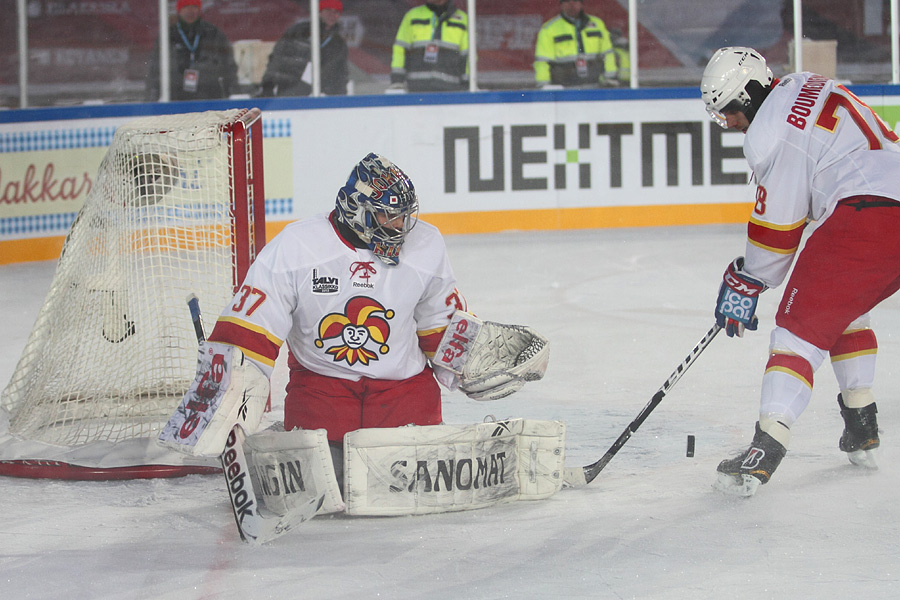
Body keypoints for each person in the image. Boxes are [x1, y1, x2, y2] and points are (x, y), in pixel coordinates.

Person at [701, 47, 900, 496]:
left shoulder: (771, 132)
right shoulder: (801, 84)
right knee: (843, 310)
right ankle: (862, 425)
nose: (728, 123)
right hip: (891, 197)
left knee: (796, 332)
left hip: (869, 214)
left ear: (750, 96)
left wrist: (748, 277)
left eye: (729, 111)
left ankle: (764, 449)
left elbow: (777, 234)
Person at [202, 153, 469, 485]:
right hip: (321, 398)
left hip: (405, 402)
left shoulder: (426, 245)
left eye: (404, 216)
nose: (401, 227)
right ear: (356, 208)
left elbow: (443, 326)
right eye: (388, 215)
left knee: (405, 487)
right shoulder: (298, 246)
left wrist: (471, 366)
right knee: (325, 485)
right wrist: (225, 394)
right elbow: (250, 332)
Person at [146, 0, 238, 101]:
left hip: (209, 97)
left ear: (199, 9)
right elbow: (155, 69)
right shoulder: (168, 35)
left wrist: (231, 93)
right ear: (179, 10)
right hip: (176, 99)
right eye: (186, 6)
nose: (190, 10)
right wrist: (151, 100)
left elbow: (228, 66)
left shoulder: (213, 33)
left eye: (194, 6)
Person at [259, 0, 349, 97]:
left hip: (320, 96)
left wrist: (339, 99)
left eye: (336, 12)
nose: (332, 15)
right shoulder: (298, 31)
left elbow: (340, 73)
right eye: (328, 10)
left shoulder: (339, 43)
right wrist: (267, 86)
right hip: (289, 91)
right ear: (319, 11)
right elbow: (277, 57)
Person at [534, 0, 618, 89]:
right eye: (567, 1)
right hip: (564, 88)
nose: (571, 5)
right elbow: (542, 61)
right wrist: (544, 85)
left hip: (595, 86)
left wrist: (610, 77)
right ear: (561, 4)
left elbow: (608, 54)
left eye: (575, 1)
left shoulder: (597, 24)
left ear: (581, 3)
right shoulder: (549, 28)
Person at [390, 0, 468, 93]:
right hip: (416, 90)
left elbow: (468, 55)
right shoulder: (412, 16)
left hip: (450, 91)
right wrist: (397, 81)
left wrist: (467, 84)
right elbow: (400, 49)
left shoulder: (463, 19)